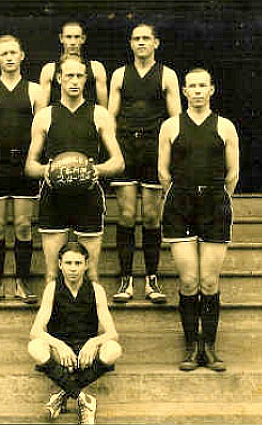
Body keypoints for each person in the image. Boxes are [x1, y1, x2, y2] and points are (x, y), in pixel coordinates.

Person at [158, 67, 240, 372]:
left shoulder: (225, 126)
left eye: (202, 85)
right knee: (189, 280)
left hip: (215, 203)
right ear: (184, 91)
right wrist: (183, 194)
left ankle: (210, 348)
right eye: (191, 86)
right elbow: (163, 172)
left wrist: (214, 196)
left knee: (209, 280)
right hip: (180, 202)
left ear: (211, 90)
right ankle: (192, 347)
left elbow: (233, 174)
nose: (196, 91)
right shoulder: (170, 126)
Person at [25, 54, 124, 284]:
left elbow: (118, 162)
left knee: (91, 274)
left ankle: (89, 320)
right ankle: (53, 320)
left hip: (88, 197)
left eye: (79, 76)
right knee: (52, 274)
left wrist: (95, 170)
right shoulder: (44, 116)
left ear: (85, 79)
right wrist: (46, 171)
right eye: (69, 75)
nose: (74, 80)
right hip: (53, 198)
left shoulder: (100, 114)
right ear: (59, 78)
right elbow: (30, 165)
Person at [108, 22, 181, 304]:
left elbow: (175, 119)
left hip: (154, 146)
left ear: (156, 43)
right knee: (126, 214)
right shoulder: (119, 75)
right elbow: (110, 117)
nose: (141, 43)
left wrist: (172, 154)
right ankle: (126, 279)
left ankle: (152, 279)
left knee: (151, 216)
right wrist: (113, 150)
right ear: (130, 43)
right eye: (136, 39)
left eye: (146, 38)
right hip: (126, 146)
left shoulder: (167, 75)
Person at [0, 35, 46, 305]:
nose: (9, 57)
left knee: (23, 227)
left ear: (22, 55)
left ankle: (21, 282)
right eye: (3, 53)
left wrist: (34, 163)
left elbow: (41, 132)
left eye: (13, 52)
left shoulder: (35, 91)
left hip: (24, 165)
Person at [28, 242, 122, 424]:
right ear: (60, 264)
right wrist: (59, 345)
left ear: (86, 265)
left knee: (113, 349)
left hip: (87, 353)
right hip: (61, 353)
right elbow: (35, 331)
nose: (73, 268)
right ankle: (84, 399)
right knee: (35, 347)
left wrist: (94, 343)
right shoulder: (52, 288)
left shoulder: (96, 290)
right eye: (68, 263)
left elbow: (112, 333)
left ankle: (63, 396)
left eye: (78, 263)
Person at [39, 21, 108, 107]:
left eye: (76, 37)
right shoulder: (49, 70)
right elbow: (41, 109)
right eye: (68, 37)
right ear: (61, 38)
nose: (73, 42)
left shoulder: (96, 68)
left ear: (83, 39)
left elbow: (104, 109)